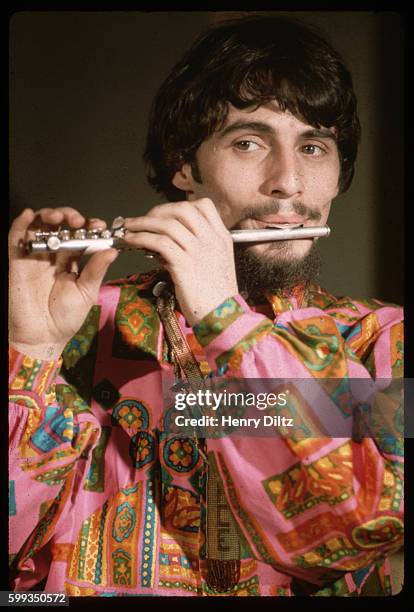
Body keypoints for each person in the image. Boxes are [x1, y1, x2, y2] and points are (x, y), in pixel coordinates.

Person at [8, 14, 403, 597]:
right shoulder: (89, 324)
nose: (289, 183)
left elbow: (360, 522)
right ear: (185, 167)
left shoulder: (381, 337)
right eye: (249, 142)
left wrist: (227, 322)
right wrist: (32, 354)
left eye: (314, 146)